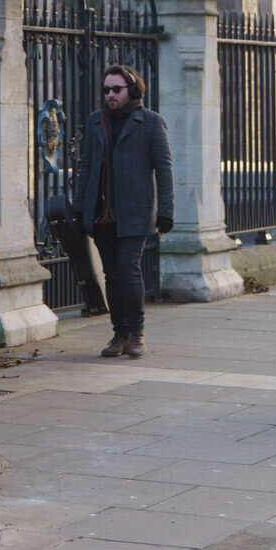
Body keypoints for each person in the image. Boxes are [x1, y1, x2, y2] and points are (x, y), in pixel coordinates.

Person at [75, 63, 173, 360]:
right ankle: (119, 333)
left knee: (128, 270)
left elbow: (164, 168)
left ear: (132, 90)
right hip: (102, 213)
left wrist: (165, 212)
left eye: (116, 89)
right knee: (111, 275)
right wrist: (81, 209)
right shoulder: (95, 122)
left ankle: (137, 333)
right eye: (106, 90)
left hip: (136, 212)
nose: (110, 95)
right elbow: (87, 167)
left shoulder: (151, 122)